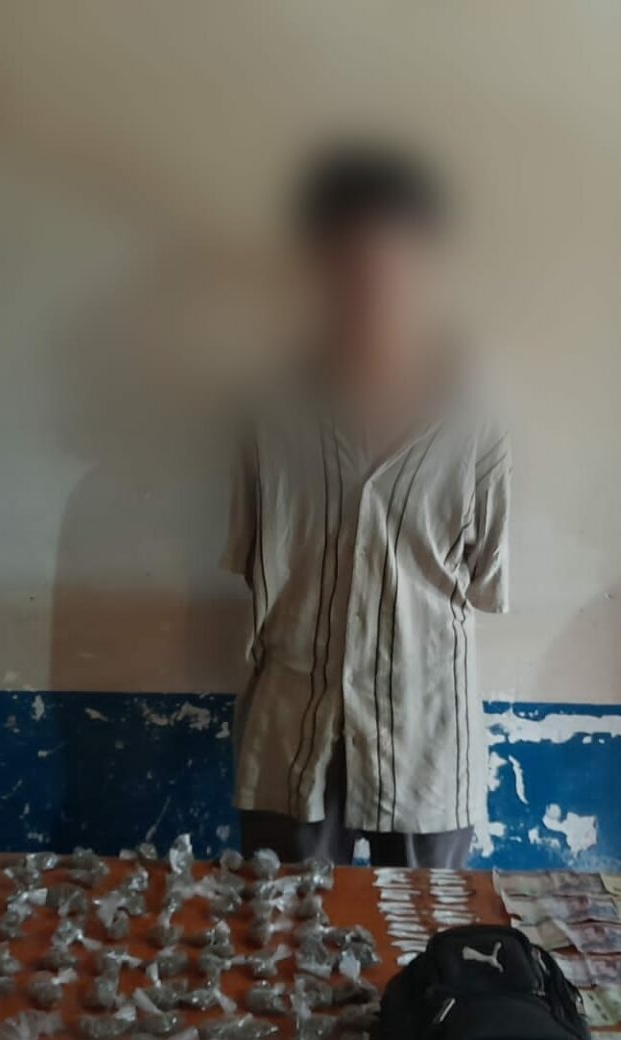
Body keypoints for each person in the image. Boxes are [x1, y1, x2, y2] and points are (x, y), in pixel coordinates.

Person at [222, 143, 509, 867]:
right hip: (293, 735)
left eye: (392, 262)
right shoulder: (268, 411)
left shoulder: (478, 417)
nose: (373, 283)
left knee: (428, 929)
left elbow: (484, 579)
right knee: (278, 924)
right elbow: (253, 558)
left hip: (426, 738)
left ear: (428, 265)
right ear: (316, 266)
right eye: (350, 262)